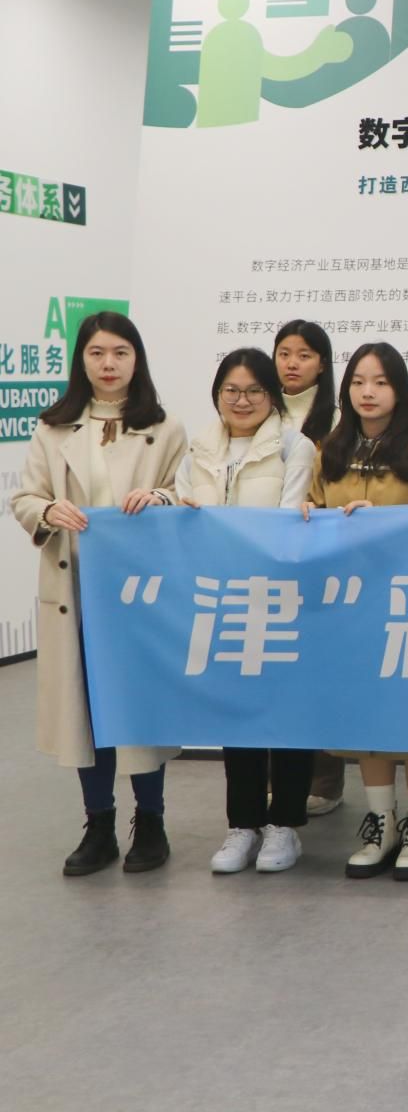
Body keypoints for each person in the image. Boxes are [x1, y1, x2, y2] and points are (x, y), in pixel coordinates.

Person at [12, 312, 187, 875]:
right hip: (77, 589)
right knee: (85, 710)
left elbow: (187, 494)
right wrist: (47, 510)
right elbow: (25, 497)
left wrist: (160, 499)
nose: (108, 364)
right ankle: (99, 824)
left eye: (119, 353)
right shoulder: (54, 427)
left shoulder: (165, 427)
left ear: (137, 359)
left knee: (139, 708)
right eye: (96, 353)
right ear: (81, 361)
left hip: (140, 593)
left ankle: (151, 823)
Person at [166, 348, 317, 874]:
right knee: (237, 714)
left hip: (279, 599)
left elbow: (288, 521)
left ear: (272, 396)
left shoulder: (294, 446)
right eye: (231, 390)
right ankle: (243, 824)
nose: (242, 400)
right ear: (217, 394)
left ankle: (285, 825)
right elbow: (183, 513)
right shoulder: (198, 450)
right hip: (221, 599)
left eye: (255, 390)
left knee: (287, 713)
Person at [306, 343, 408, 880]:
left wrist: (382, 521)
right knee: (366, 713)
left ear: (399, 389)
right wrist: (308, 513)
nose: (368, 392)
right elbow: (314, 507)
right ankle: (379, 823)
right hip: (350, 601)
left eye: (381, 382)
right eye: (359, 381)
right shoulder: (330, 446)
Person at [274, 318, 350, 818]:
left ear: (322, 363)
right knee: (278, 668)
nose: (292, 363)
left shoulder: (339, 418)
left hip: (323, 558)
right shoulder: (260, 409)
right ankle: (278, 777)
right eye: (284, 353)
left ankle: (325, 778)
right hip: (271, 560)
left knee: (320, 669)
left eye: (304, 355)